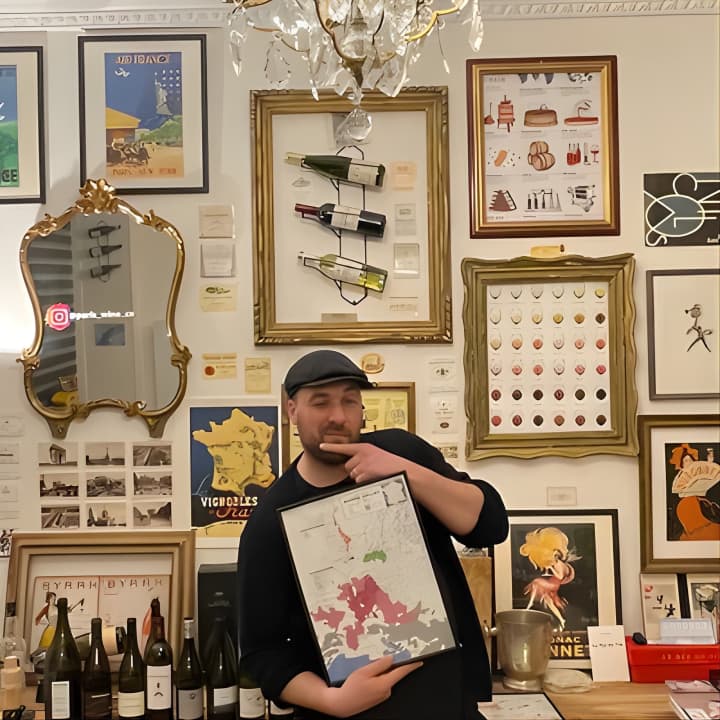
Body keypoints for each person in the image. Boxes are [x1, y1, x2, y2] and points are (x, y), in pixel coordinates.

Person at [237, 350, 509, 719]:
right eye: (321, 402)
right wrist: (333, 701)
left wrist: (406, 474)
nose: (338, 415)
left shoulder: (401, 451)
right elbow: (262, 653)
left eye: (350, 400)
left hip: (449, 702)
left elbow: (490, 525)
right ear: (292, 410)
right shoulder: (271, 520)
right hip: (348, 711)